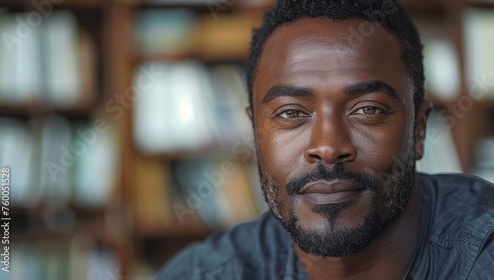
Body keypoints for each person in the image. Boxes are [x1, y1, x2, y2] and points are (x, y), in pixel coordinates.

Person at [156, 0, 494, 279]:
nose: (329, 148)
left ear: (419, 130)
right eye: (291, 113)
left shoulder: (481, 256)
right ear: (255, 134)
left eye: (367, 110)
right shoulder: (211, 272)